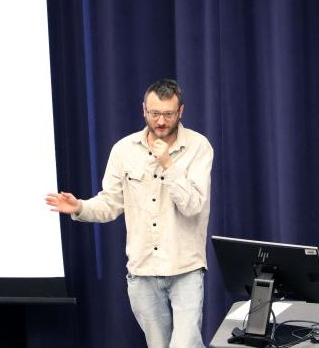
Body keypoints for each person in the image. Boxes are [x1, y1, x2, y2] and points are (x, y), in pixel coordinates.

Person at [45, 79, 213, 348]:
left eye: (168, 114)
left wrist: (168, 164)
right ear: (143, 110)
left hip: (185, 269)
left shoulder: (198, 147)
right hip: (142, 269)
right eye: (154, 113)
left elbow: (193, 206)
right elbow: (110, 204)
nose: (160, 121)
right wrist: (80, 207)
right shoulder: (123, 149)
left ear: (180, 112)